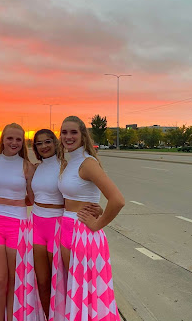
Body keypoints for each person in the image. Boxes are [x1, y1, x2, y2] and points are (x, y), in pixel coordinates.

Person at [58, 116, 125, 320]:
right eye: (64, 132)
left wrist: (97, 223)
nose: (68, 137)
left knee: (84, 293)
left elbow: (118, 200)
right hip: (67, 227)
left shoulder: (88, 163)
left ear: (83, 135)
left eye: (73, 132)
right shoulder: (70, 162)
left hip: (82, 233)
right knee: (74, 290)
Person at [0, 123, 40, 321]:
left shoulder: (27, 166)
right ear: (3, 139)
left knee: (15, 280)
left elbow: (33, 199)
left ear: (23, 142)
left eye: (18, 139)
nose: (14, 143)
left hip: (18, 225)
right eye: (10, 138)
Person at [30, 129, 66, 319]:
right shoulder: (37, 168)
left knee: (58, 281)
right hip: (36, 223)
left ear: (55, 143)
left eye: (48, 142)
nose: (44, 146)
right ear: (35, 147)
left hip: (57, 225)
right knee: (42, 281)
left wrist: (96, 210)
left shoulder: (65, 166)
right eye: (39, 143)